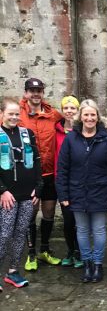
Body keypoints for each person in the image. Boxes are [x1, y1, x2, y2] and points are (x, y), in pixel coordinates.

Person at [56, 99, 107, 283]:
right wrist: (63, 194)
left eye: (93, 114)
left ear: (98, 117)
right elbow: (62, 169)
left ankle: (98, 264)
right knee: (83, 230)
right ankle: (87, 264)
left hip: (101, 191)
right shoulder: (71, 139)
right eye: (86, 114)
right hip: (77, 192)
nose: (89, 118)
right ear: (81, 117)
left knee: (100, 230)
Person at [19, 78, 63, 270]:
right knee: (31, 213)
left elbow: (68, 123)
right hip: (28, 175)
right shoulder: (18, 114)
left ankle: (44, 249)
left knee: (49, 212)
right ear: (26, 93)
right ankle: (31, 254)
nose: (36, 94)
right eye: (32, 90)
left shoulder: (52, 114)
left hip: (49, 172)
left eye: (39, 90)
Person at [0, 97, 42, 290]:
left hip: (27, 194)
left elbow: (37, 161)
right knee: (5, 234)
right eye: (10, 114)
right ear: (2, 114)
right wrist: (2, 191)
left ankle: (13, 271)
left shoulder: (28, 134)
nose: (14, 117)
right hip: (7, 196)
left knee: (20, 234)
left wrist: (38, 186)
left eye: (17, 114)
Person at [55, 95, 83, 268]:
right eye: (66, 108)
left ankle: (80, 251)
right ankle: (70, 250)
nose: (70, 111)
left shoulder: (81, 131)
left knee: (79, 220)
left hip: (79, 181)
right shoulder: (56, 130)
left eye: (73, 108)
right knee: (67, 220)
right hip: (62, 179)